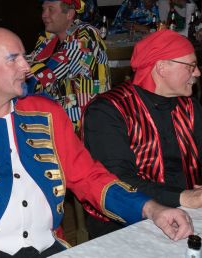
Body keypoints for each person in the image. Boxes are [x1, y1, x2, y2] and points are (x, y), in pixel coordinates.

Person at [0, 27, 192, 258]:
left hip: (48, 248)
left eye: (24, 57)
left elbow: (90, 177)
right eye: (13, 59)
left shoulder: (47, 113)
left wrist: (152, 208)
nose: (26, 66)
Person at [83, 30, 202, 239]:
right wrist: (184, 197)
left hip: (188, 212)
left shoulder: (189, 106)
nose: (198, 73)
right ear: (161, 67)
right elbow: (116, 180)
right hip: (124, 222)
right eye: (191, 66)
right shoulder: (108, 111)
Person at [26, 0, 109, 131]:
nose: (44, 15)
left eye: (51, 10)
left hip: (83, 120)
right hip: (55, 112)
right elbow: (30, 60)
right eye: (43, 9)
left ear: (69, 14)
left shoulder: (85, 35)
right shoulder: (50, 37)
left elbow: (48, 73)